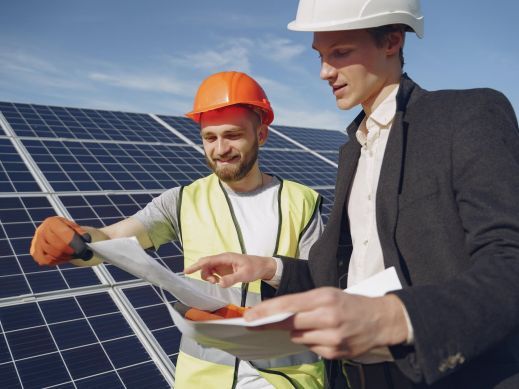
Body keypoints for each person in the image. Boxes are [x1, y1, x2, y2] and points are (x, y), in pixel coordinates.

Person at [185, 1, 519, 388]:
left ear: (392, 41)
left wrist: (393, 317)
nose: (325, 72)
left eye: (340, 53)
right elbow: (349, 278)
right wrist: (266, 268)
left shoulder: (465, 115)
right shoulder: (353, 149)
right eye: (321, 56)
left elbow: (510, 261)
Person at [30, 71, 325, 388]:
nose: (220, 148)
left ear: (261, 135)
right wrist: (74, 239)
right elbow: (111, 239)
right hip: (203, 381)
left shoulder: (302, 201)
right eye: (209, 138)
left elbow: (325, 286)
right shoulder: (182, 201)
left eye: (233, 135)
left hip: (286, 379)